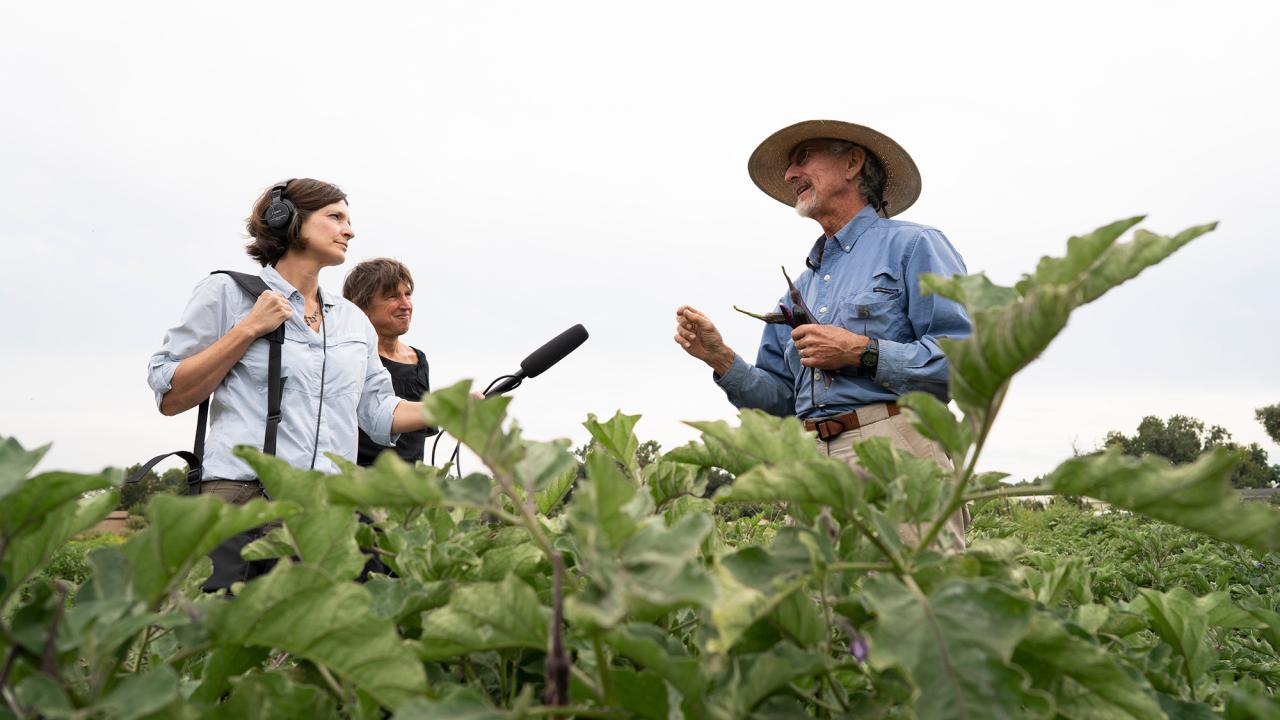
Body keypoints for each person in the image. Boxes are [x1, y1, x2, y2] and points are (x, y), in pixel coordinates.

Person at [674, 120, 972, 549]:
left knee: (914, 599)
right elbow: (780, 401)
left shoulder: (915, 245)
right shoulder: (800, 287)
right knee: (825, 609)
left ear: (852, 162)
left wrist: (861, 351)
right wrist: (721, 360)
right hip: (812, 461)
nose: (791, 175)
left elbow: (963, 361)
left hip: (896, 449)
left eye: (803, 159)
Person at [147, 178, 432, 590]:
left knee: (314, 642)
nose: (348, 230)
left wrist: (447, 409)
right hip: (242, 501)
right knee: (226, 639)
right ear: (287, 220)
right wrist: (248, 329)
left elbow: (376, 410)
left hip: (325, 513)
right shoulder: (228, 293)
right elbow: (169, 392)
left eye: (348, 220)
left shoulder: (352, 320)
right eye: (335, 217)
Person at [342, 258, 437, 466]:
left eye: (408, 295)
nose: (406, 305)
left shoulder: (418, 359)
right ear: (361, 306)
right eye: (393, 296)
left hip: (410, 488)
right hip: (361, 483)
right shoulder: (350, 358)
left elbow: (418, 436)